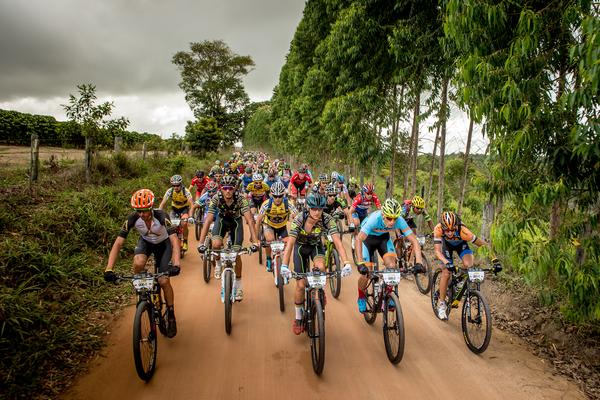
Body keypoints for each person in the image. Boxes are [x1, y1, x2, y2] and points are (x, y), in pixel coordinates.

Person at [104, 189, 181, 338]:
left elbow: (174, 240)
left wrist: (176, 264)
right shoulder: (132, 218)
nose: (141, 214)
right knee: (138, 263)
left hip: (164, 245)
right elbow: (118, 243)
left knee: (164, 280)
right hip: (146, 243)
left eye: (144, 211)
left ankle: (171, 313)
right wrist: (109, 269)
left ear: (151, 208)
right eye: (138, 211)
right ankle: (141, 292)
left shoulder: (161, 216)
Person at [280, 193, 352, 334]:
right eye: (314, 208)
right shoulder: (300, 219)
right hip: (300, 248)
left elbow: (337, 242)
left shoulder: (327, 219)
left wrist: (346, 263)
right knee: (300, 285)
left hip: (315, 246)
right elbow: (290, 244)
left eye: (320, 209)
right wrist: (284, 265)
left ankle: (320, 291)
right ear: (309, 207)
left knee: (321, 268)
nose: (317, 212)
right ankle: (298, 317)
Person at [354, 198, 424, 312]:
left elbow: (414, 241)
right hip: (367, 240)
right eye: (389, 218)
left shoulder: (400, 220)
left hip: (383, 240)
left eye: (395, 219)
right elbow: (359, 239)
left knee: (392, 267)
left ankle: (389, 293)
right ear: (383, 214)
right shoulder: (373, 219)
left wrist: (419, 262)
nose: (392, 222)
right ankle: (361, 296)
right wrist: (360, 262)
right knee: (365, 274)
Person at [197, 175, 258, 301]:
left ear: (235, 188)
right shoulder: (216, 198)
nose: (228, 191)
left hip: (236, 222)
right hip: (222, 221)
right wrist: (201, 243)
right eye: (225, 188)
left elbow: (249, 220)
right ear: (221, 189)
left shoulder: (241, 198)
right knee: (216, 244)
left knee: (237, 252)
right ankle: (218, 264)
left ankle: (239, 286)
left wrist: (255, 240)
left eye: (230, 188)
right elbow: (208, 220)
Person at [433, 211, 499, 320]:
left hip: (461, 244)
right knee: (446, 271)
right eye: (447, 230)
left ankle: (458, 281)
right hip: (446, 247)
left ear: (457, 226)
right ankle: (441, 304)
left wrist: (494, 259)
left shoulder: (464, 232)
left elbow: (483, 246)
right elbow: (437, 252)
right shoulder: (438, 229)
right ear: (443, 228)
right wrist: (447, 263)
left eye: (452, 230)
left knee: (469, 265)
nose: (449, 233)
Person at [255, 181, 297, 273]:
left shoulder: (288, 203)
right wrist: (256, 238)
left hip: (282, 227)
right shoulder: (266, 204)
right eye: (275, 196)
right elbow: (258, 221)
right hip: (269, 225)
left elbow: (296, 217)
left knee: (288, 245)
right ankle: (269, 259)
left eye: (280, 196)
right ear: (271, 195)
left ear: (283, 195)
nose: (277, 199)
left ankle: (284, 266)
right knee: (270, 240)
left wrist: (295, 221)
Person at [159, 175, 194, 252]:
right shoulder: (170, 191)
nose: (176, 187)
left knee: (184, 223)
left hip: (184, 209)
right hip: (174, 209)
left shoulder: (186, 191)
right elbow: (162, 203)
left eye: (177, 185)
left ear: (181, 184)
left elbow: (192, 204)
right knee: (171, 226)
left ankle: (185, 241)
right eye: (173, 185)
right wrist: (159, 213)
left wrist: (191, 216)